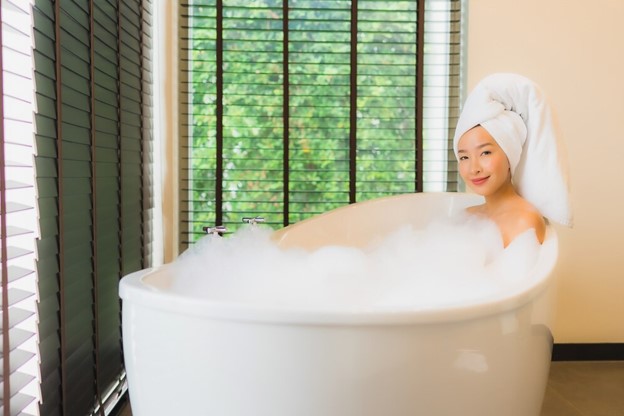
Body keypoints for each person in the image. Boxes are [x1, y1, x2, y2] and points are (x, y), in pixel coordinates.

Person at [452, 73, 572, 247]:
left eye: (485, 153)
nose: (473, 168)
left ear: (510, 154)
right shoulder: (466, 216)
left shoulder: (525, 221)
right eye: (464, 157)